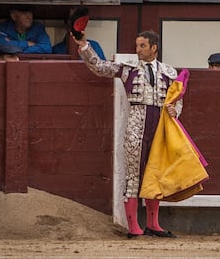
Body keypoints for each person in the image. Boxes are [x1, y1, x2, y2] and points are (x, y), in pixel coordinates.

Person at [72, 30, 180, 239]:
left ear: (154, 48)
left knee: (155, 175)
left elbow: (176, 100)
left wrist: (176, 111)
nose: (137, 49)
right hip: (136, 128)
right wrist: (85, 46)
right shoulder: (128, 69)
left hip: (160, 129)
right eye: (137, 45)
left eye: (142, 46)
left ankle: (153, 224)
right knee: (133, 177)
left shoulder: (169, 72)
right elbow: (100, 67)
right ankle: (133, 227)